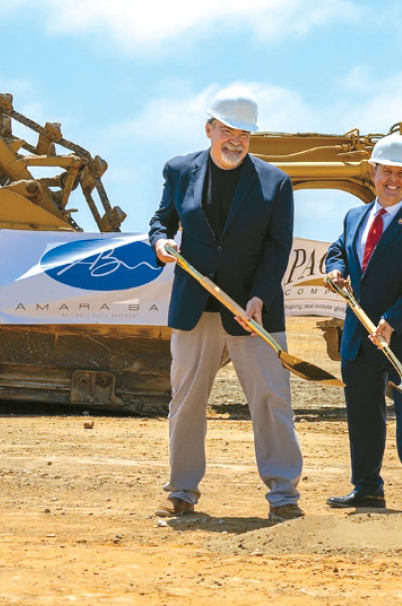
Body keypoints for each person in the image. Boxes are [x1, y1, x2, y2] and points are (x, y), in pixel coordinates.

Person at [149, 87, 304, 521]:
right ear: (209, 128)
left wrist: (258, 296)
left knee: (271, 402)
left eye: (245, 134)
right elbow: (162, 220)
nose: (236, 140)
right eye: (228, 131)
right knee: (186, 402)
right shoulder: (179, 171)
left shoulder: (275, 182)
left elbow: (278, 248)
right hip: (194, 308)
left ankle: (284, 496)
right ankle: (181, 492)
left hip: (253, 310)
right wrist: (160, 241)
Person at [324, 133, 402, 513]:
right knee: (362, 416)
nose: (393, 180)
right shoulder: (354, 216)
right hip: (360, 338)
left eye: (401, 174)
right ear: (372, 173)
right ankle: (367, 488)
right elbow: (338, 250)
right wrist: (335, 269)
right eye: (386, 172)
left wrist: (392, 321)